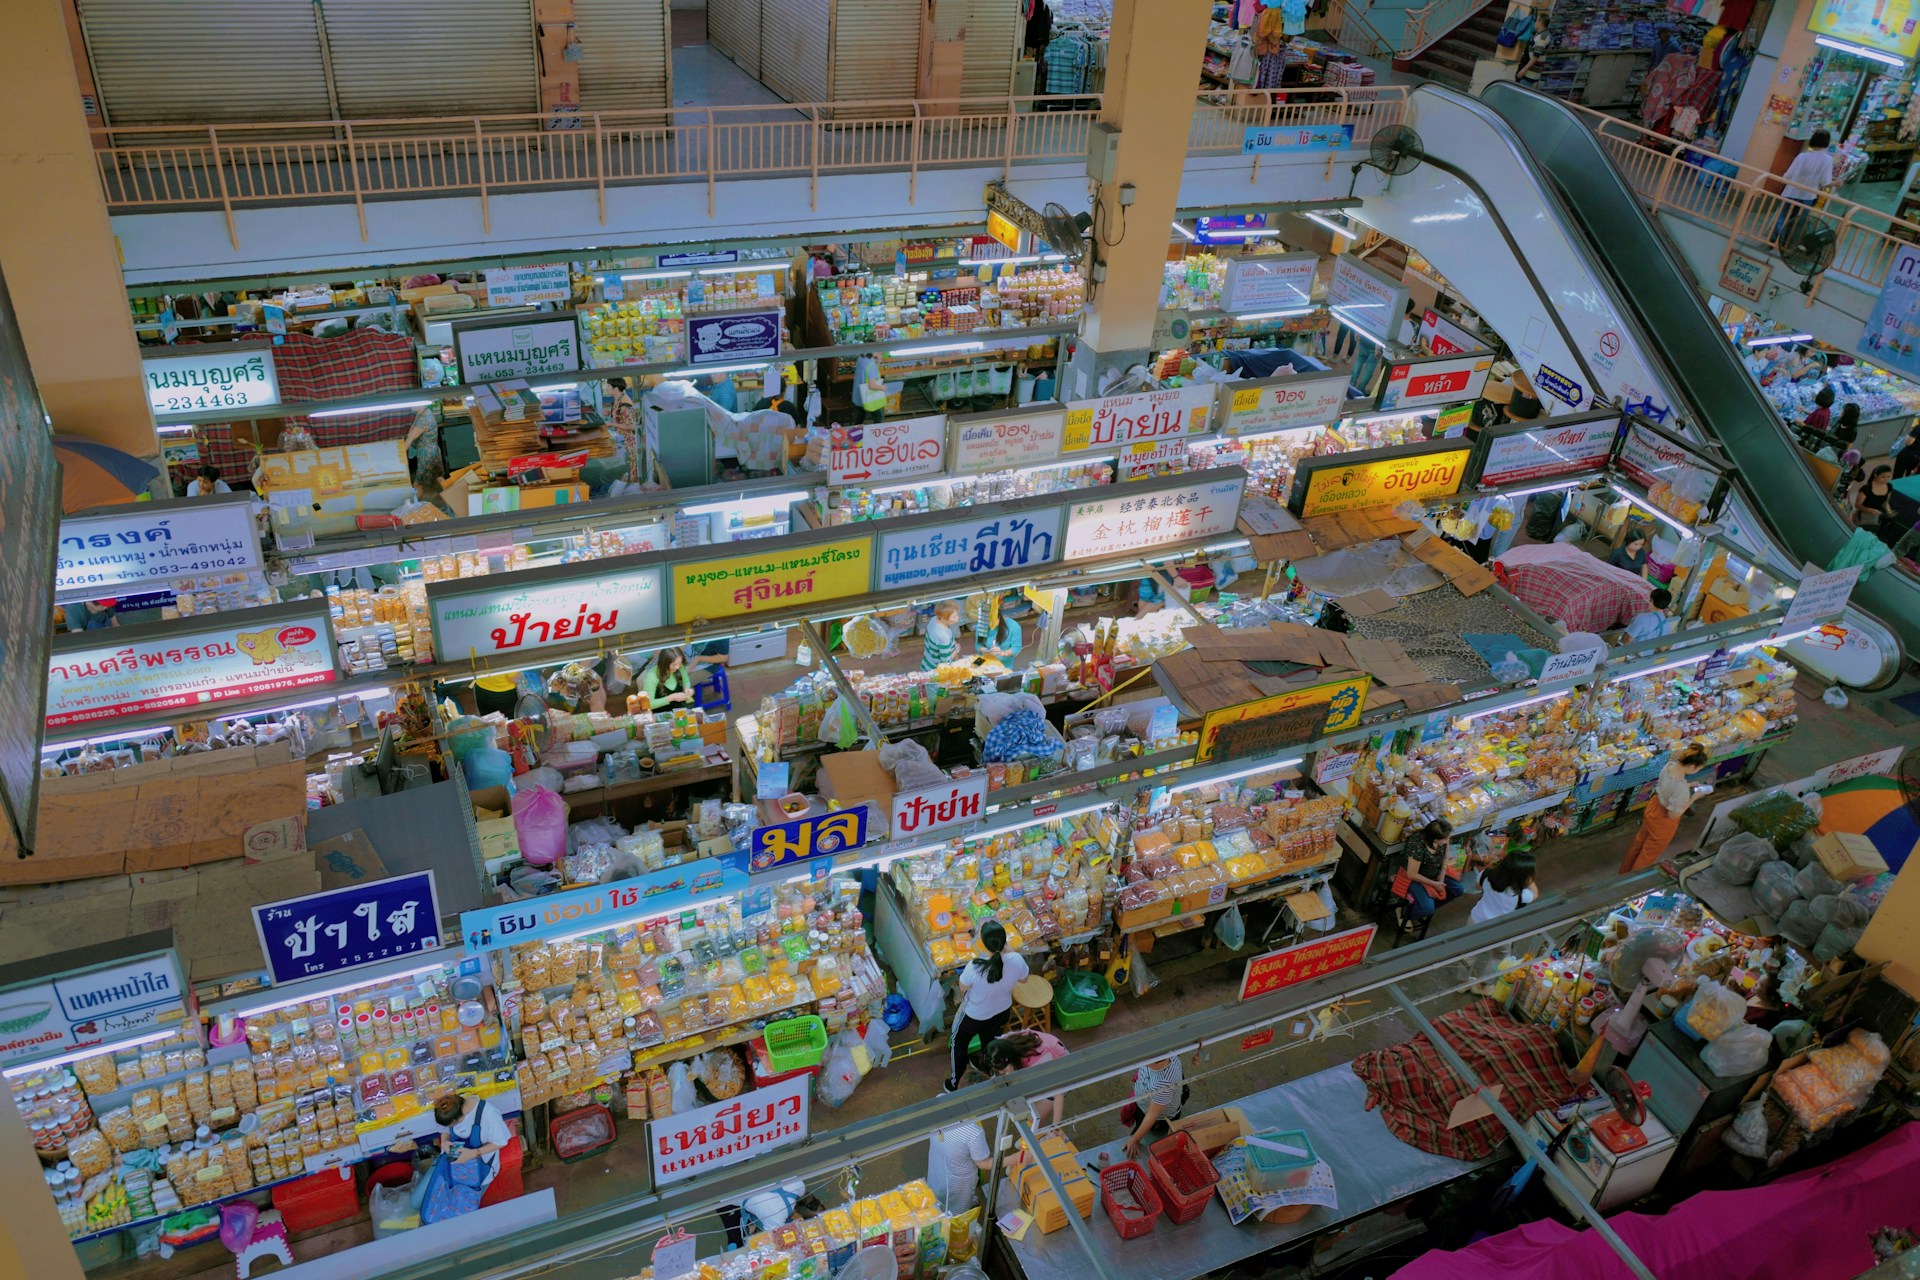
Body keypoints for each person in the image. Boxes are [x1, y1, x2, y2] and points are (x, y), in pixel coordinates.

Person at [945, 919, 1028, 1092]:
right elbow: (1024, 979)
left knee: (958, 1043)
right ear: (1004, 942)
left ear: (983, 944)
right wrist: (1007, 949)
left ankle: (955, 1084)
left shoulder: (975, 967)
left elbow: (962, 987)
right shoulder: (1016, 960)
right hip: (1001, 1012)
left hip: (974, 1016)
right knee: (990, 1042)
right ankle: (988, 1068)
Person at [1620, 742, 1711, 873]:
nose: (1697, 771)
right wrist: (1694, 797)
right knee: (1648, 854)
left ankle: (1624, 870)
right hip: (1662, 821)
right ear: (1691, 766)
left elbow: (1669, 786)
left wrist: (1688, 785)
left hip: (1654, 807)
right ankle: (1633, 879)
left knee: (1639, 841)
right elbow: (1673, 815)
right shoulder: (1681, 789)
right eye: (1698, 769)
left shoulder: (1670, 765)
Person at [982, 1030, 1070, 1129]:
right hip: (1044, 1055)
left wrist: (1056, 1127)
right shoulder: (1002, 1045)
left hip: (1061, 1067)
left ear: (1013, 1059)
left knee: (1033, 1124)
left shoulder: (1040, 1061)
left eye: (1004, 1070)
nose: (1003, 1073)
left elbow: (1058, 1091)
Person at [432, 1092, 511, 1195]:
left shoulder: (488, 1114)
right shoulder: (449, 1108)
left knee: (467, 1200)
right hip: (456, 1166)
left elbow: (501, 1141)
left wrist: (475, 1152)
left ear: (458, 1118)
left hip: (481, 1167)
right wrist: (445, 1141)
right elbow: (445, 1129)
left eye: (452, 1124)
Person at [1121, 1055, 1186, 1160]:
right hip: (1148, 1102)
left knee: (1151, 1135)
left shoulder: (1163, 1085)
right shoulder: (1170, 1054)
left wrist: (1135, 1139)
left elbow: (1152, 1115)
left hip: (1158, 1119)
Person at [1775, 131, 1834, 245]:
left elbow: (1788, 175)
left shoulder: (1802, 156)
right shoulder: (1827, 159)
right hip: (1808, 195)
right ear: (1826, 143)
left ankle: (1775, 240)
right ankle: (1789, 244)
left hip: (1791, 191)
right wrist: (1835, 183)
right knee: (1799, 221)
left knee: (1782, 216)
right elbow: (1825, 181)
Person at [1402, 819, 1461, 924]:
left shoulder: (1443, 839)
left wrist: (1441, 877)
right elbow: (1412, 874)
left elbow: (1445, 857)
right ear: (1435, 839)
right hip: (1416, 878)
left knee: (1458, 889)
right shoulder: (1417, 844)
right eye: (1445, 839)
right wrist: (1434, 884)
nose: (1448, 840)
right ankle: (1405, 914)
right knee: (1427, 909)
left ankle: (1427, 903)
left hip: (1435, 873)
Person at [1470, 851, 1538, 924]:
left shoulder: (1486, 875)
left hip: (1475, 918)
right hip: (1497, 926)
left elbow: (1477, 887)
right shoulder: (1522, 894)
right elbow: (1535, 894)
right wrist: (1529, 881)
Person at [922, 601, 961, 673]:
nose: (957, 618)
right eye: (954, 617)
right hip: (937, 671)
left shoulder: (934, 619)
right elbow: (946, 662)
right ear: (943, 617)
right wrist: (956, 650)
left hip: (928, 663)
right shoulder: (943, 636)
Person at [1854, 464, 1894, 530]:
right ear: (1876, 476)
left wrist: (1889, 512)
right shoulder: (1866, 489)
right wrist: (1870, 510)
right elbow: (1857, 505)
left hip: (1876, 517)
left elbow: (1886, 502)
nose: (1886, 480)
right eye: (1883, 477)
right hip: (1863, 517)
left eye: (1888, 477)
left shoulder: (1889, 486)